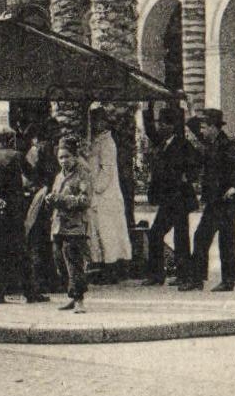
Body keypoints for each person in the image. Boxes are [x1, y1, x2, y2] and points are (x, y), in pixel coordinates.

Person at [0, 124, 47, 305]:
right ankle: (29, 293)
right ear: (8, 140)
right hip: (13, 212)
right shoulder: (17, 156)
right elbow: (33, 177)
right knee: (20, 252)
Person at [187, 109, 235, 292]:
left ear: (214, 127)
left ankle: (226, 280)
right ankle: (198, 278)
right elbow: (190, 123)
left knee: (225, 238)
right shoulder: (211, 142)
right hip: (215, 199)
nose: (202, 131)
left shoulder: (228, 145)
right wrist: (193, 109)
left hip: (226, 200)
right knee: (202, 236)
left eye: (205, 127)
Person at [142, 103, 197, 286]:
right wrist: (147, 106)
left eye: (164, 124)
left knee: (179, 237)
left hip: (180, 198)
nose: (160, 127)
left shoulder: (182, 144)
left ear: (172, 126)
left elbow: (197, 164)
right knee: (156, 234)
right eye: (159, 124)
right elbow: (149, 129)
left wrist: (187, 177)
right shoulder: (162, 143)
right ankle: (159, 275)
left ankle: (184, 276)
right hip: (168, 199)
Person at [47, 133, 92, 313]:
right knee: (61, 263)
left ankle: (79, 300)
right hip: (58, 226)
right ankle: (71, 297)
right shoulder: (59, 176)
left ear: (75, 156)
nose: (63, 161)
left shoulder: (82, 174)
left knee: (74, 264)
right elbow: (56, 195)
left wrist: (62, 199)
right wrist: (50, 199)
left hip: (75, 226)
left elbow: (85, 200)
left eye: (67, 157)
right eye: (60, 157)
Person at [86, 104, 132, 279]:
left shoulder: (108, 143)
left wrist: (96, 188)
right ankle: (103, 266)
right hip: (99, 193)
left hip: (106, 193)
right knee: (100, 230)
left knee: (108, 231)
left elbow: (107, 168)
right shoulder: (95, 141)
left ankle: (111, 268)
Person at [23, 118, 62, 295]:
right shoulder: (56, 150)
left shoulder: (36, 150)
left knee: (36, 240)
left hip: (38, 196)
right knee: (48, 240)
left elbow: (28, 176)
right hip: (51, 195)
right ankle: (53, 280)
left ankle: (39, 281)